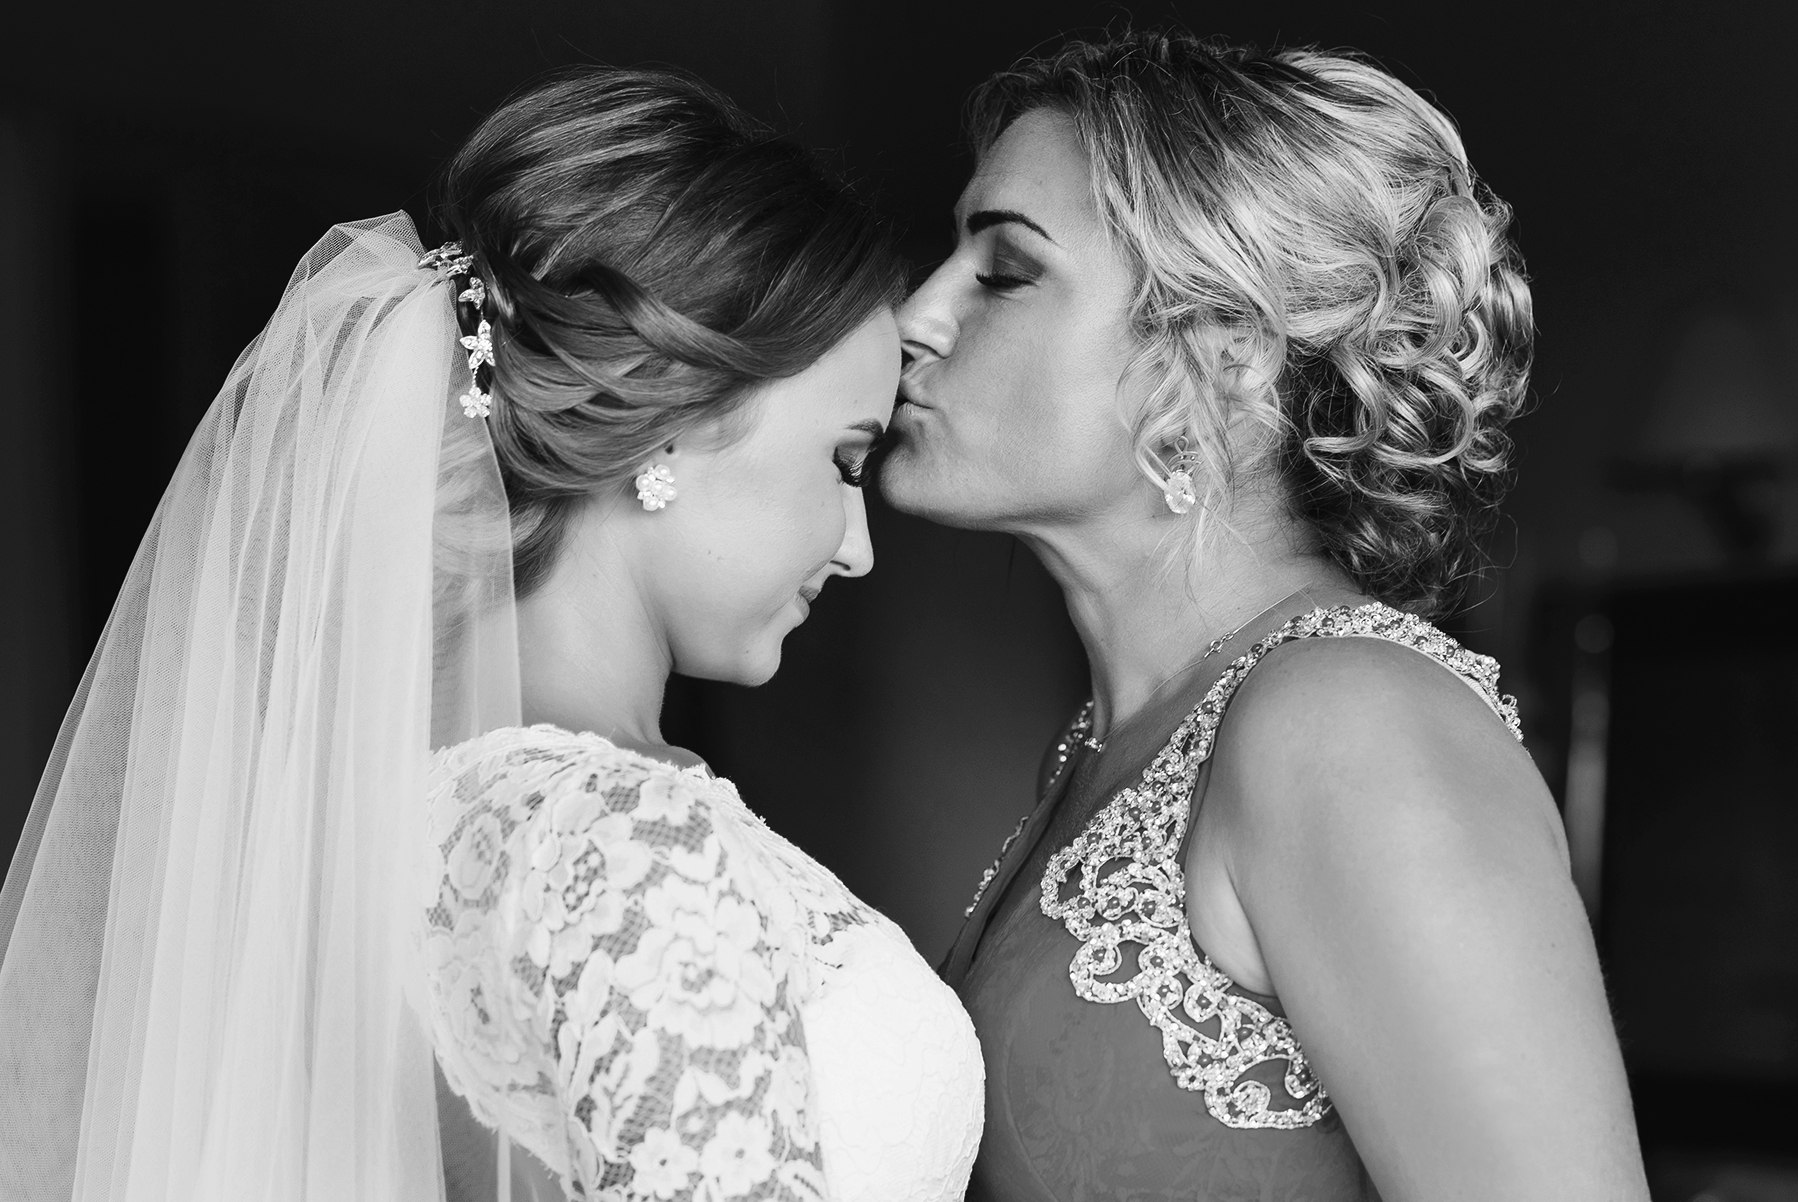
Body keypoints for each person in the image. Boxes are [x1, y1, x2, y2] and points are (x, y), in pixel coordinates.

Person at [0, 68, 982, 1202]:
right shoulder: (627, 843)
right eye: (845, 460)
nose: (859, 547)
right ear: (671, 420)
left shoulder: (341, 830)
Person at [882, 30, 1650, 1202]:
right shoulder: (1104, 744)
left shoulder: (1350, 722)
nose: (916, 314)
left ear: (1222, 354)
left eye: (1006, 270)